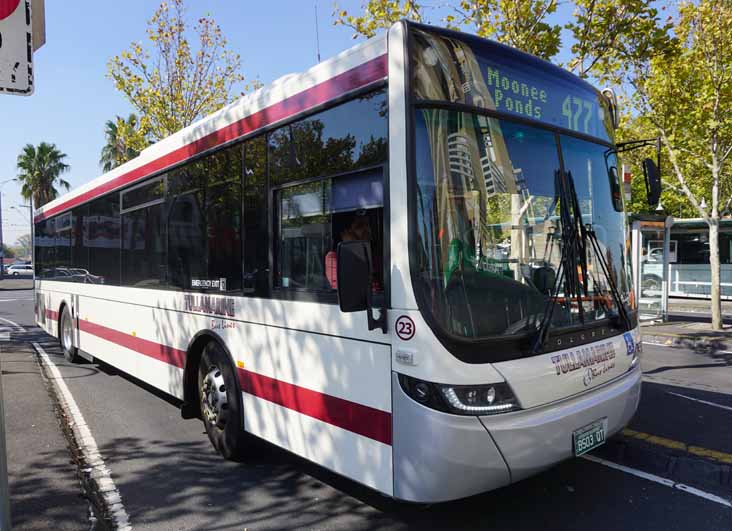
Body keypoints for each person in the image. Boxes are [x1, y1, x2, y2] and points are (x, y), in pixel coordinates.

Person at [325, 214, 372, 289]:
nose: (366, 229)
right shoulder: (333, 257)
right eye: (359, 226)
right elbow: (349, 287)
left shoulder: (373, 254)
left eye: (368, 224)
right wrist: (352, 247)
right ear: (345, 232)